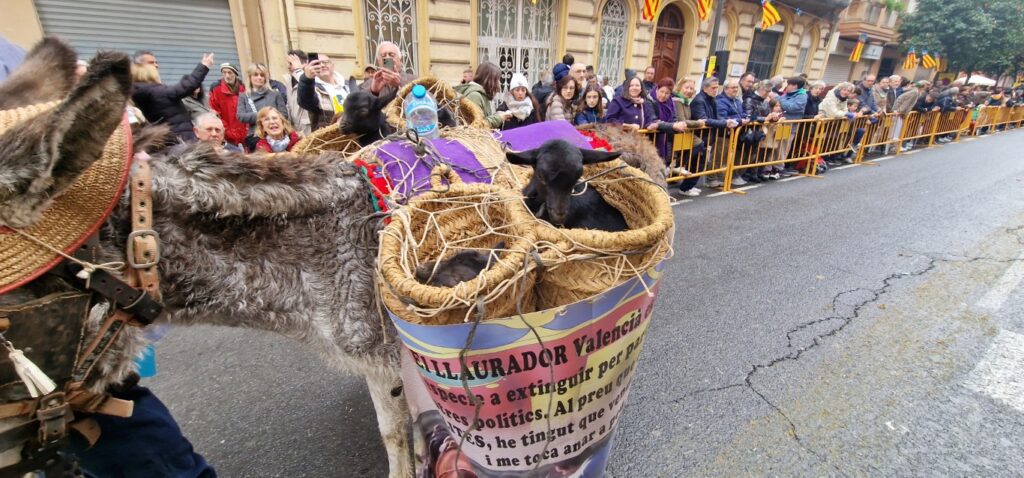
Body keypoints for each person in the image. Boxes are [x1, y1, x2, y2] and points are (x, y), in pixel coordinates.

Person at [131, 53, 214, 142]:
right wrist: (204, 66)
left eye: (156, 62)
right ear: (141, 68)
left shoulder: (141, 90)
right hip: (179, 139)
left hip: (172, 138)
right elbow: (184, 88)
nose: (156, 65)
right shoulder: (153, 90)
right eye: (151, 63)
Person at [690, 77, 741, 188]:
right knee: (695, 162)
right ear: (705, 88)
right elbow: (704, 119)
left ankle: (690, 186)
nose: (715, 90)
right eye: (713, 88)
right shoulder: (699, 100)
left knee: (700, 162)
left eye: (717, 88)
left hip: (707, 136)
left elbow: (715, 117)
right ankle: (687, 186)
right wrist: (725, 123)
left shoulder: (711, 99)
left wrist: (726, 121)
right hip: (699, 136)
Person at [237, 63, 289, 151]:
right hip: (255, 137)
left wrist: (271, 119)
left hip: (276, 137)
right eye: (255, 75)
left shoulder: (275, 94)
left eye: (262, 75)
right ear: (250, 77)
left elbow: (284, 114)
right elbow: (240, 116)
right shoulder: (244, 96)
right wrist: (262, 116)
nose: (259, 78)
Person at [669, 78, 707, 196]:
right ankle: (678, 166)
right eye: (686, 87)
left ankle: (685, 181)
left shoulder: (685, 102)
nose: (689, 90)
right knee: (699, 144)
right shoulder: (677, 101)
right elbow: (682, 120)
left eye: (691, 88)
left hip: (685, 135)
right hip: (678, 134)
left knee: (699, 152)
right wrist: (699, 123)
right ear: (680, 87)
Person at [651, 78, 696, 173]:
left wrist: (676, 125)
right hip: (653, 140)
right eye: (661, 91)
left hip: (667, 138)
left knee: (664, 166)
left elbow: (674, 118)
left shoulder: (671, 102)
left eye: (667, 93)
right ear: (657, 89)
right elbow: (653, 120)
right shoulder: (650, 101)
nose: (663, 95)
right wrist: (673, 126)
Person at [297, 53, 349, 131]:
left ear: (333, 65)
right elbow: (305, 101)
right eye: (317, 63)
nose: (322, 65)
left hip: (351, 133)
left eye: (325, 62)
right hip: (328, 137)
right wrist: (307, 79)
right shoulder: (314, 88)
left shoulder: (347, 86)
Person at [454, 61, 511, 128]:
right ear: (490, 80)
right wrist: (498, 118)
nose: (498, 84)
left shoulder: (481, 94)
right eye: (497, 80)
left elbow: (483, 119)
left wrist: (497, 116)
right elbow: (476, 127)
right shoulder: (475, 96)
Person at [209, 62, 248, 148]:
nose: (227, 75)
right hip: (227, 134)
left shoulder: (243, 88)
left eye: (230, 72)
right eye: (224, 73)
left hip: (245, 132)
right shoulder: (216, 89)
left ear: (235, 74)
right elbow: (215, 113)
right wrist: (226, 130)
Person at [892, 80, 928, 151]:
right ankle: (896, 147)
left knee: (898, 131)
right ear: (923, 86)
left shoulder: (915, 91)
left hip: (900, 111)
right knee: (896, 131)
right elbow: (906, 103)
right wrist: (901, 112)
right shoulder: (914, 92)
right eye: (926, 86)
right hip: (899, 112)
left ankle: (896, 146)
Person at [284, 50, 312, 136]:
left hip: (308, 126)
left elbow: (308, 87)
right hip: (295, 127)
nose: (288, 66)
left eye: (291, 63)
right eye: (288, 63)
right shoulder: (289, 81)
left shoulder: (310, 78)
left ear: (303, 64)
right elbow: (289, 104)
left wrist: (298, 70)